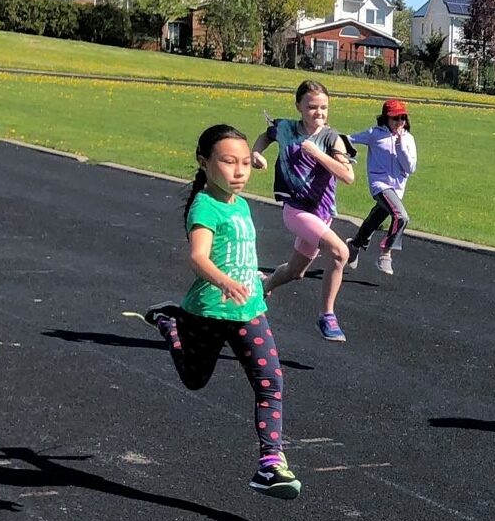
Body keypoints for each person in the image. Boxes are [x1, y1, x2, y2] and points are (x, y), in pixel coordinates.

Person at [142, 124, 300, 498]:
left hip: (248, 311)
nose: (240, 171)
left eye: (245, 163)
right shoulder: (204, 206)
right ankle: (168, 322)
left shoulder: (241, 204)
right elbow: (198, 256)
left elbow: (239, 251)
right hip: (208, 311)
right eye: (229, 162)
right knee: (195, 380)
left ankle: (271, 464)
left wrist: (252, 278)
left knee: (270, 381)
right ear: (204, 162)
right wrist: (225, 282)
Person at [254, 80, 356, 342]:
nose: (319, 113)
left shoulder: (332, 138)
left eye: (324, 107)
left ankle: (262, 287)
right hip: (296, 210)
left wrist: (316, 153)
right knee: (339, 252)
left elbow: (348, 176)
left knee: (295, 272)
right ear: (298, 105)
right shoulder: (285, 128)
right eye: (312, 107)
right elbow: (267, 135)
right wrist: (256, 153)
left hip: (322, 213)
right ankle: (327, 316)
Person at [346, 100, 418, 276]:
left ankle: (355, 245)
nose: (399, 122)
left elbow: (410, 168)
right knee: (401, 217)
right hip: (380, 185)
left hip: (397, 190)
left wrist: (401, 146)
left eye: (402, 118)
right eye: (395, 118)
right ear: (386, 119)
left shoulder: (408, 139)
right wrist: (345, 155)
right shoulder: (375, 134)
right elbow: (348, 140)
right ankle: (386, 254)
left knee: (376, 218)